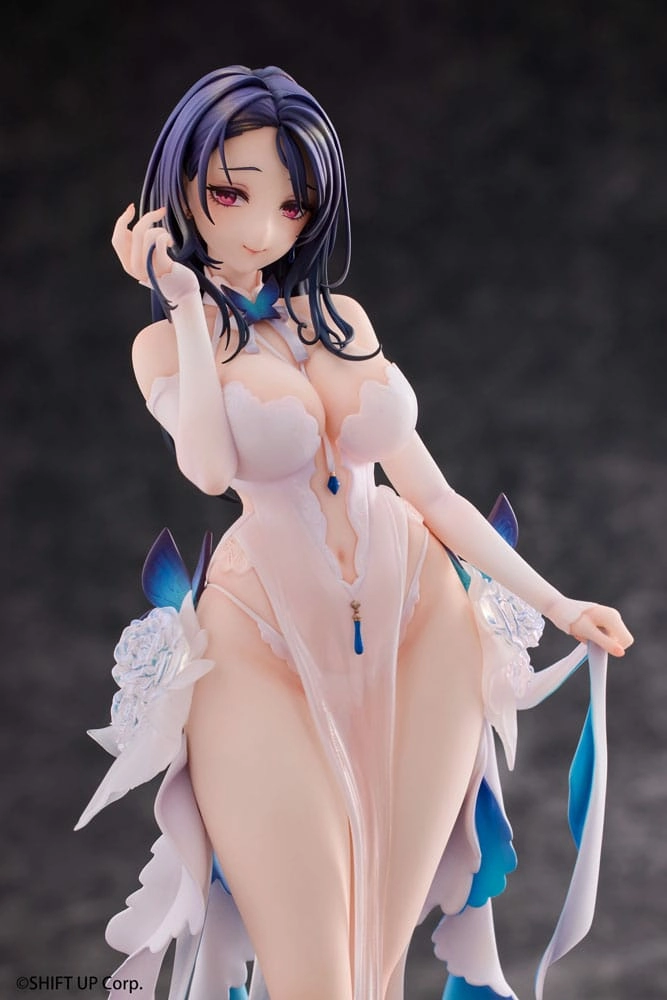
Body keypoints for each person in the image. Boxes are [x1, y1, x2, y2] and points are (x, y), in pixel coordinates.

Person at [77, 65, 633, 1000]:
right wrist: (182, 305)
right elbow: (208, 468)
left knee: (378, 953)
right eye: (231, 193)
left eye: (292, 205)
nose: (263, 229)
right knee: (316, 975)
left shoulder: (340, 318)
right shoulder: (166, 344)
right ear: (178, 188)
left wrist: (556, 602)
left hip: (421, 622)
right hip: (263, 638)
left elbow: (434, 495)